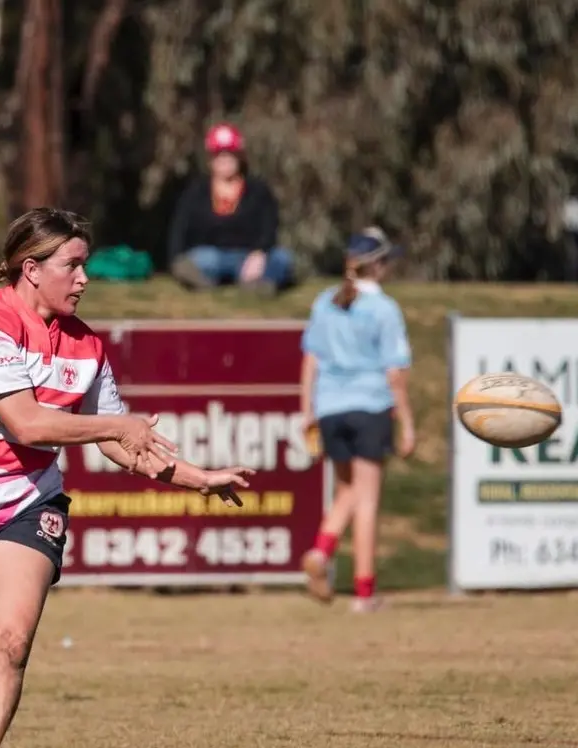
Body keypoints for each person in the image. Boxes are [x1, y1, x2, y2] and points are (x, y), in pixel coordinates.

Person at [0, 207, 255, 748]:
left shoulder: (85, 346)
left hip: (26, 507)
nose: (85, 278)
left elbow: (121, 445)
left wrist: (198, 479)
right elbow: (27, 423)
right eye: (73, 265)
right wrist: (117, 425)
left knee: (9, 646)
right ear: (31, 268)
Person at [298, 226, 416, 613]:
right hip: (370, 406)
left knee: (347, 492)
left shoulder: (324, 302)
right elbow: (395, 372)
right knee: (367, 501)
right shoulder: (385, 309)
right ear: (378, 266)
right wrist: (407, 422)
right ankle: (364, 593)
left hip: (330, 408)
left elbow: (311, 360)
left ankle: (321, 551)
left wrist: (307, 410)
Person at [167, 123, 296, 295]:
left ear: (239, 157)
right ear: (210, 159)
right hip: (213, 257)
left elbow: (270, 226)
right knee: (198, 259)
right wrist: (176, 259)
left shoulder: (258, 190)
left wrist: (259, 253)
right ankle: (204, 284)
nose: (224, 160)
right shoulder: (196, 192)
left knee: (282, 258)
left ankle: (259, 286)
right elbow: (180, 227)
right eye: (219, 155)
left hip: (250, 256)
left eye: (230, 154)